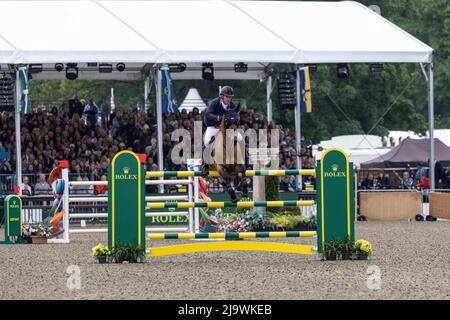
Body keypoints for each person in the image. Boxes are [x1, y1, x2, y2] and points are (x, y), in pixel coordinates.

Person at [201, 86, 242, 174]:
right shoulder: (214, 103)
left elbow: (234, 116)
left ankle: (244, 158)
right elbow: (208, 115)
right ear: (222, 96)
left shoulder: (232, 105)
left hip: (226, 129)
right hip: (213, 126)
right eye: (227, 96)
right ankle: (205, 164)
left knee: (240, 138)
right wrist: (218, 117)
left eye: (230, 97)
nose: (229, 98)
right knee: (207, 142)